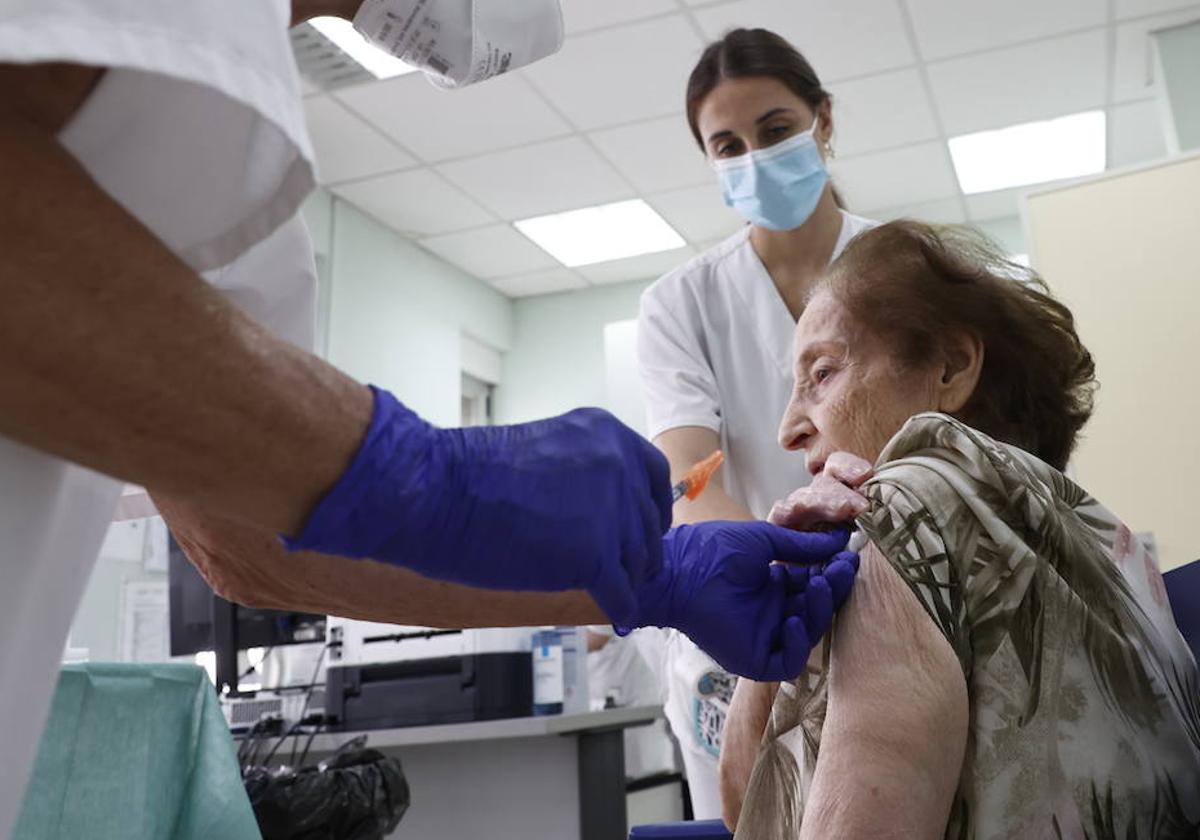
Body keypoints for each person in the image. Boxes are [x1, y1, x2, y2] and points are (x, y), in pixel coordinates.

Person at [0, 3, 859, 836]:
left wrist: (654, 578)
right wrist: (433, 478)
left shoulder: (244, 187)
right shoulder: (181, 33)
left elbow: (242, 539)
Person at [719, 220, 1200, 838]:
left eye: (823, 373)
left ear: (951, 367)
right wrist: (769, 634)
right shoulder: (1111, 556)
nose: (789, 428)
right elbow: (747, 804)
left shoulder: (909, 500)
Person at [636, 27, 876, 817]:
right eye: (727, 146)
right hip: (749, 619)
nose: (755, 158)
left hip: (896, 594)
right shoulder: (683, 303)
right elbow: (691, 477)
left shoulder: (907, 268)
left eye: (775, 132)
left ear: (824, 121)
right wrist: (777, 593)